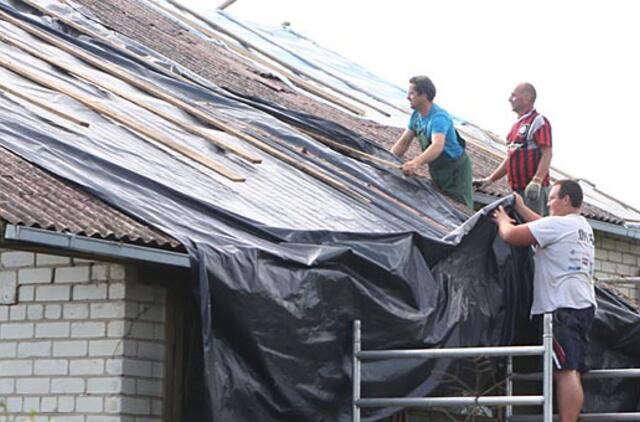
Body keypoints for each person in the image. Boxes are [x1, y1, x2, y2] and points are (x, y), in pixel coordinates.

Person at [492, 179, 596, 422]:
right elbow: (544, 225)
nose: (548, 203)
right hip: (581, 306)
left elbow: (511, 236)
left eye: (552, 198)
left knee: (565, 371)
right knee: (573, 370)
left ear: (566, 200)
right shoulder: (581, 226)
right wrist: (521, 206)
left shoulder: (559, 226)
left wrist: (502, 220)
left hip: (561, 308)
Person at [391, 75, 473, 208]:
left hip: (455, 170)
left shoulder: (438, 118)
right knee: (440, 202)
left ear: (424, 95)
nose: (407, 97)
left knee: (459, 207)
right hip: (437, 168)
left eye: (411, 93)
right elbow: (403, 143)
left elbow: (437, 145)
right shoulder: (416, 115)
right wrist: (389, 158)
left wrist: (415, 163)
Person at [474, 83, 552, 215]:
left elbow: (547, 153)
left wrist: (537, 181)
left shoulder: (538, 121)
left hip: (533, 192)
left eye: (514, 96)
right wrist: (490, 179)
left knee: (533, 229)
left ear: (526, 98)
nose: (509, 99)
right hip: (517, 191)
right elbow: (511, 158)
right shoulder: (516, 125)